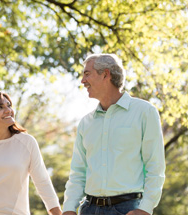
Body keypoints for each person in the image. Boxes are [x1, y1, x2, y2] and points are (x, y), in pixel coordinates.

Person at [62, 54, 165, 215]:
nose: (82, 80)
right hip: (89, 209)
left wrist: (145, 209)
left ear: (105, 74)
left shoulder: (144, 112)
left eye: (87, 73)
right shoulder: (85, 123)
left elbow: (155, 166)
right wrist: (68, 207)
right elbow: (78, 172)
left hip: (128, 209)